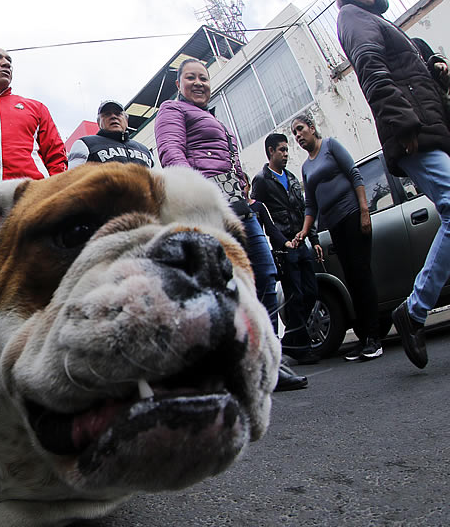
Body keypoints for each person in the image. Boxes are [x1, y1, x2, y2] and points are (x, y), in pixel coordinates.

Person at [154, 58, 307, 392]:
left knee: (264, 277)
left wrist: (245, 192)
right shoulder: (171, 110)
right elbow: (171, 153)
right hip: (208, 207)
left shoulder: (214, 119)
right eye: (190, 77)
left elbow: (231, 163)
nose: (198, 83)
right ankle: (226, 367)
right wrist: (197, 197)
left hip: (239, 205)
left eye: (203, 78)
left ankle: (267, 361)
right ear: (178, 84)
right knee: (220, 286)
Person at [332, 0, 450, 368]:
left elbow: (407, 75)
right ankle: (414, 311)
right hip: (414, 134)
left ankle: (414, 311)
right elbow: (370, 68)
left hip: (431, 128)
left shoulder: (379, 21)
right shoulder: (352, 17)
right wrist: (403, 123)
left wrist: (434, 70)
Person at [291, 112, 382, 361]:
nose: (298, 136)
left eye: (300, 129)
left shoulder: (330, 145)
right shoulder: (306, 167)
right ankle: (364, 339)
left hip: (352, 215)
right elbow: (311, 205)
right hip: (335, 226)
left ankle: (374, 339)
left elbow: (355, 175)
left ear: (311, 127)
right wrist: (303, 230)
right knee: (351, 280)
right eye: (294, 133)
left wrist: (365, 211)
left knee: (362, 275)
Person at [251, 134, 323, 364]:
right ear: (270, 151)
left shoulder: (291, 177)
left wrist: (314, 238)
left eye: (286, 150)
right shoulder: (261, 180)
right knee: (295, 296)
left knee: (311, 291)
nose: (286, 154)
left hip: (302, 243)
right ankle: (300, 346)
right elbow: (258, 214)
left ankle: (291, 340)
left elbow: (304, 209)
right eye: (281, 150)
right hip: (284, 247)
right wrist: (269, 245)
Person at [0, 47, 67, 180]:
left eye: (9, 60)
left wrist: (56, 188)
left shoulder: (36, 107)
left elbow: (56, 154)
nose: (6, 63)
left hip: (33, 192)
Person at [68, 100, 154, 169]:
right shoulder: (85, 144)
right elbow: (72, 178)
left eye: (118, 114)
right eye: (107, 114)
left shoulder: (145, 150)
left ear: (126, 121)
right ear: (99, 123)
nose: (113, 116)